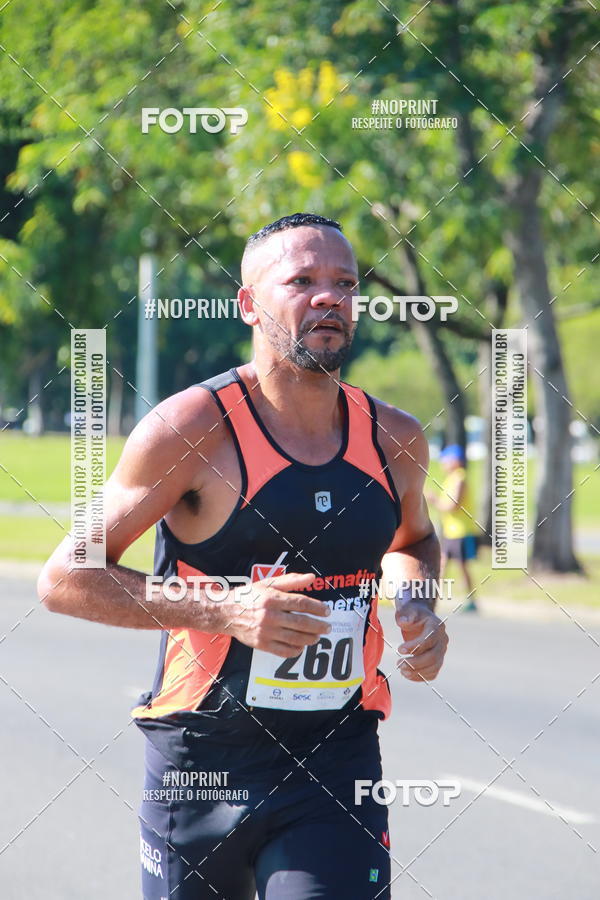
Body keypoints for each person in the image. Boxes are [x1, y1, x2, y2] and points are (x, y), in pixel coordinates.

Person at [38, 212, 449, 900]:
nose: (329, 297)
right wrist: (225, 609)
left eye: (344, 283)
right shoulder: (192, 429)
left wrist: (416, 604)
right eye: (303, 281)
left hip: (336, 760)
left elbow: (414, 542)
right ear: (249, 305)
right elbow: (64, 578)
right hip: (201, 762)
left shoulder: (394, 437)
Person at [429, 444, 478, 612]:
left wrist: (435, 501)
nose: (443, 464)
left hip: (461, 531)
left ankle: (472, 600)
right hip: (451, 531)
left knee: (462, 566)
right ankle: (432, 599)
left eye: (446, 460)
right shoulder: (450, 479)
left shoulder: (460, 478)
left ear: (455, 461)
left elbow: (453, 505)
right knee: (441, 565)